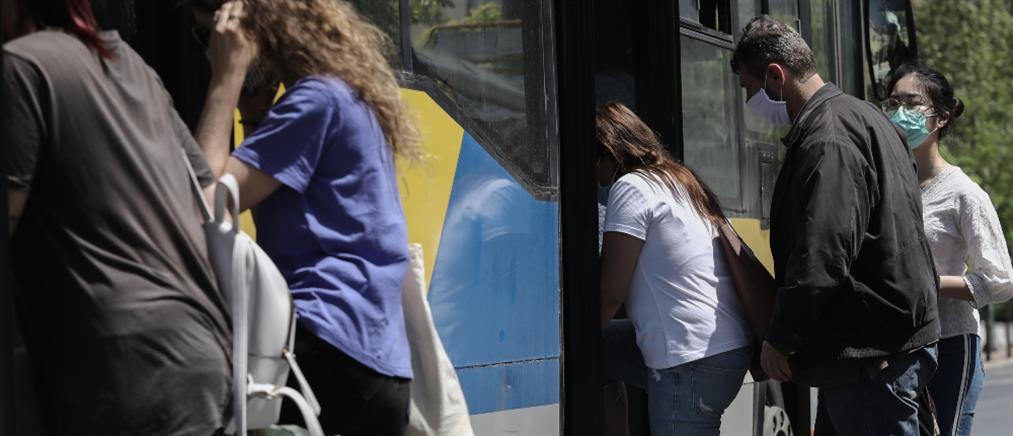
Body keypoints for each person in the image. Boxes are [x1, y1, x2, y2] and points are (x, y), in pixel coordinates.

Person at [0, 0, 232, 434]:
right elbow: (206, 198)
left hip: (124, 365)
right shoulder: (135, 67)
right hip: (201, 349)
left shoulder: (21, 67)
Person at [194, 1, 421, 435]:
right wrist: (254, 114)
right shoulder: (341, 94)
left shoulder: (315, 101)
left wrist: (225, 80)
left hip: (328, 347)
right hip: (369, 358)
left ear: (255, 33)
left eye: (212, 36)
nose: (209, 51)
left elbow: (207, 203)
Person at [731, 16, 940, 436]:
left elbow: (823, 253)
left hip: (870, 360)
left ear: (776, 76)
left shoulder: (828, 138)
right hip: (875, 353)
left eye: (749, 89)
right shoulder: (865, 117)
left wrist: (780, 339)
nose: (749, 101)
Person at [596, 102, 753, 436]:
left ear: (608, 153)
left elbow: (610, 292)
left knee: (589, 342)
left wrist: (571, 341)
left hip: (692, 358)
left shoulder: (631, 188)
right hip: (728, 348)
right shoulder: (679, 179)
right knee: (602, 348)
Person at [885, 64, 1013, 436]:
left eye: (911, 103)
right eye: (893, 103)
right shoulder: (887, 184)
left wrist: (929, 283)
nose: (900, 113)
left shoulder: (964, 193)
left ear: (940, 118)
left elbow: (1001, 280)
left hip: (950, 346)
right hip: (894, 345)